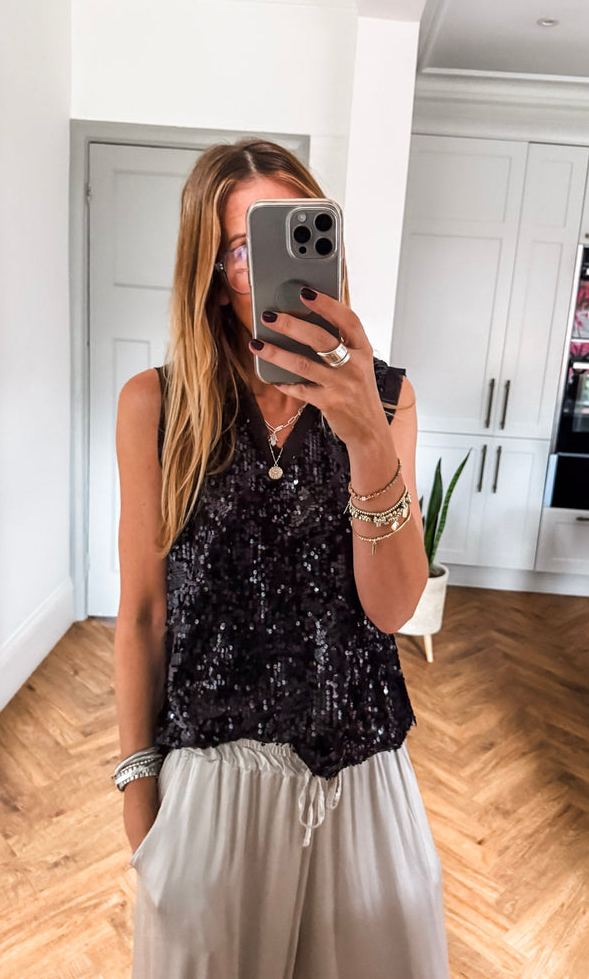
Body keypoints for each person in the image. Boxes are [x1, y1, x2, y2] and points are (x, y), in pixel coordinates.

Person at [113, 137, 450, 979]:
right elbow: (144, 613)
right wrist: (140, 799)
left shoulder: (388, 399)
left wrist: (367, 437)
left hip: (361, 783)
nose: (272, 273)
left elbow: (393, 609)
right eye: (245, 247)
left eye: (300, 235)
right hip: (210, 793)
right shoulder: (157, 405)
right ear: (211, 271)